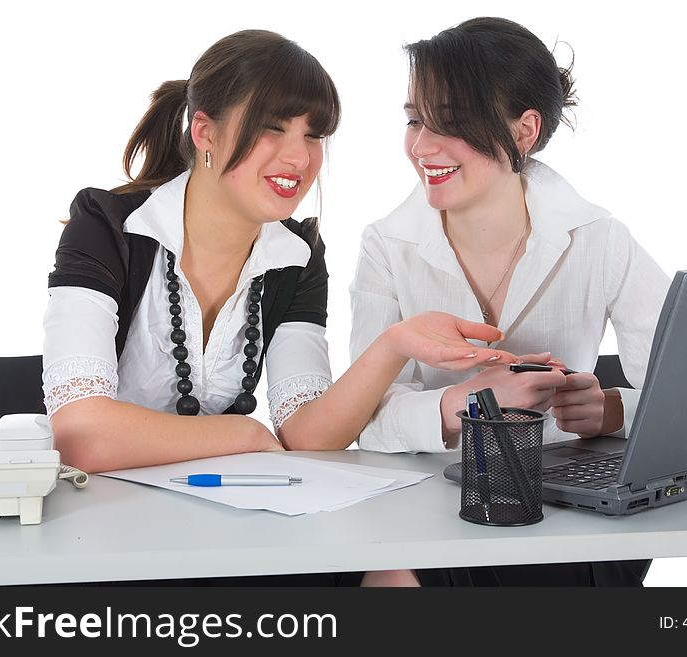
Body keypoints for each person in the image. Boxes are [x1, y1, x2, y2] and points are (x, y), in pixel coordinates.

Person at [42, 29, 517, 586]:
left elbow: (306, 433)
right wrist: (242, 435)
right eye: (273, 128)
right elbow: (81, 433)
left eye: (315, 134)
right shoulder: (107, 226)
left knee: (394, 564)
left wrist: (395, 345)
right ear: (205, 132)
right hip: (100, 532)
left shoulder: (297, 253)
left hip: (221, 518)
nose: (300, 156)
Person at [348, 17, 671, 586]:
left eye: (450, 124)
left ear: (523, 132)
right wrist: (465, 403)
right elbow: (365, 417)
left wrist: (612, 409)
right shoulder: (387, 245)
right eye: (415, 120)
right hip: (432, 506)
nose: (422, 147)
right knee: (390, 577)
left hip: (565, 509)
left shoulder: (599, 239)